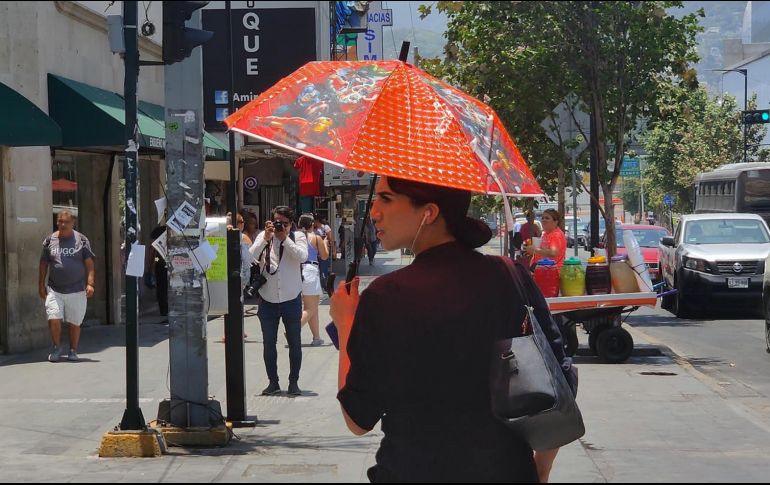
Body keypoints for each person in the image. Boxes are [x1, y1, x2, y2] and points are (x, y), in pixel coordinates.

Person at [330, 176, 575, 483]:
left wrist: (346, 322)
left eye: (387, 199)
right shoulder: (510, 276)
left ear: (429, 212)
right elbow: (557, 380)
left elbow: (357, 419)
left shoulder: (386, 296)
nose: (375, 211)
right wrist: (541, 469)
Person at [249, 206, 309, 397]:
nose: (279, 226)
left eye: (283, 222)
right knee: (269, 343)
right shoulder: (265, 236)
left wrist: (285, 240)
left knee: (294, 343)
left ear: (290, 224)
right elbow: (249, 256)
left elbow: (303, 257)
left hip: (291, 298)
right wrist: (266, 238)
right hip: (268, 298)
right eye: (276, 221)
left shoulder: (297, 237)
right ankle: (273, 383)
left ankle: (294, 383)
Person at [38, 210, 95, 363]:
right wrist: (41, 285)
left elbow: (89, 264)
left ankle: (73, 350)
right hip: (54, 289)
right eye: (60, 221)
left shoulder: (81, 240)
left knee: (75, 322)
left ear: (73, 223)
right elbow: (43, 264)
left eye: (66, 222)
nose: (63, 225)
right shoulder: (50, 240)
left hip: (77, 289)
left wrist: (90, 283)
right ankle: (56, 348)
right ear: (57, 222)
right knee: (54, 317)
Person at [298, 214, 330, 346]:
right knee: (311, 308)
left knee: (312, 307)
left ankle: (316, 337)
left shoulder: (296, 237)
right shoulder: (316, 238)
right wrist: (326, 244)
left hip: (298, 271)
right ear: (312, 225)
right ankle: (293, 330)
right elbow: (324, 256)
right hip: (311, 270)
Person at [313, 216, 334, 290]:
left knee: (324, 270)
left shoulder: (325, 228)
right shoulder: (312, 228)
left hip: (324, 251)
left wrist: (334, 251)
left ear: (317, 221)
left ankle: (324, 286)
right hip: (315, 253)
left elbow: (331, 240)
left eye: (314, 221)